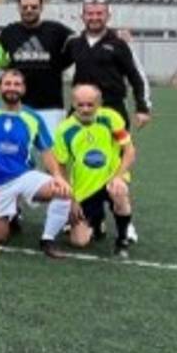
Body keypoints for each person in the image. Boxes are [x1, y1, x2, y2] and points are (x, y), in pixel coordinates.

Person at [0, 70, 74, 259]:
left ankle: (48, 239)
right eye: (7, 84)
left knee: (63, 191)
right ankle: (10, 213)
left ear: (24, 88)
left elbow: (47, 150)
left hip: (23, 176)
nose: (12, 88)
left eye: (17, 84)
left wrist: (58, 177)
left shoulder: (33, 117)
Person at [53, 84, 137, 258]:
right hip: (84, 188)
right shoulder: (64, 129)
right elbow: (61, 165)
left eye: (90, 104)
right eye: (80, 104)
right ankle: (97, 222)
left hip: (110, 179)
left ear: (99, 103)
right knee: (79, 242)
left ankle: (122, 240)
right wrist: (72, 199)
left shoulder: (111, 118)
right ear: (73, 103)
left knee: (119, 192)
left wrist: (119, 177)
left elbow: (129, 151)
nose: (85, 109)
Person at [64, 0, 152, 129]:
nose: (94, 18)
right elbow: (56, 66)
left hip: (113, 108)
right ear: (82, 17)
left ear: (108, 16)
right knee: (69, 141)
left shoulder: (119, 43)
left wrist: (142, 108)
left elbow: (136, 76)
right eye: (90, 14)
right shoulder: (74, 43)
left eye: (99, 13)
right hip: (80, 108)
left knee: (118, 143)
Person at [0, 0, 73, 135]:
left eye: (33, 7)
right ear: (18, 8)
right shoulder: (9, 32)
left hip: (51, 106)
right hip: (18, 106)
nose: (29, 10)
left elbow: (77, 44)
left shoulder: (56, 30)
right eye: (25, 7)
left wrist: (59, 65)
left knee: (51, 147)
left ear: (41, 7)